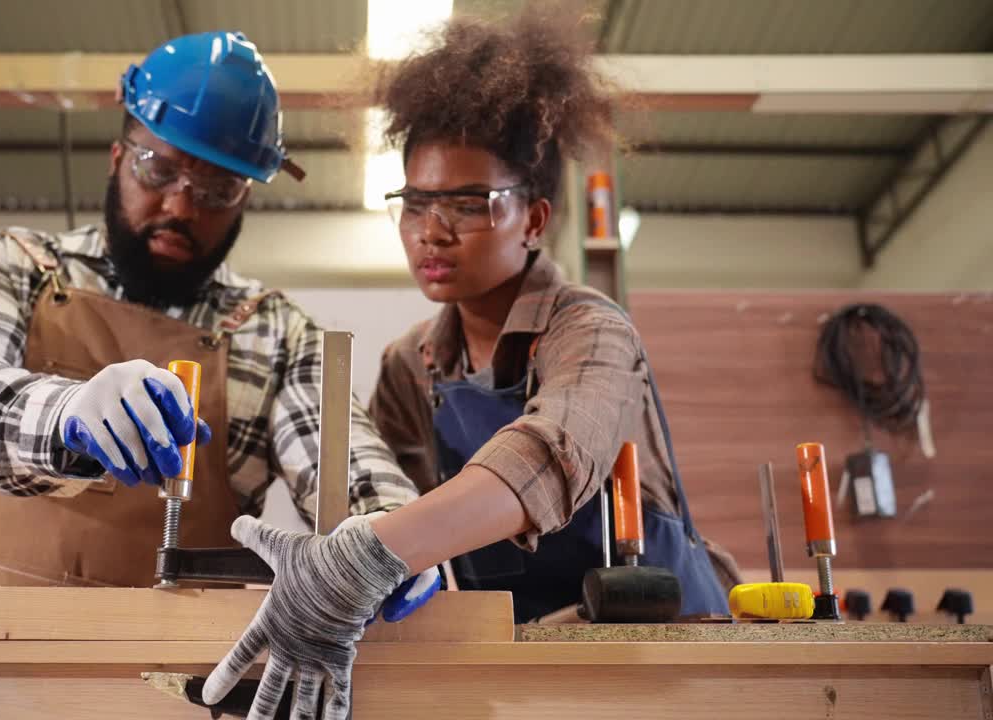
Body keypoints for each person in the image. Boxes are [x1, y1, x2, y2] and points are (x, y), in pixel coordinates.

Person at [201, 6, 742, 718]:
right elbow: (388, 506)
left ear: (536, 219)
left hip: (666, 660)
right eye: (415, 203)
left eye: (469, 204)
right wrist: (353, 570)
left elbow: (549, 456)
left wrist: (366, 557)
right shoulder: (411, 366)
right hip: (524, 664)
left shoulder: (592, 331)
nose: (433, 230)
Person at [0, 31, 428, 597]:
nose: (180, 206)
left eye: (217, 189)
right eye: (157, 170)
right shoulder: (12, 264)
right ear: (117, 159)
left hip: (169, 677)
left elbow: (341, 458)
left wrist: (392, 535)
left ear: (245, 198)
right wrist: (67, 413)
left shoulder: (277, 335)